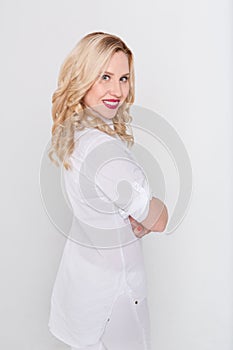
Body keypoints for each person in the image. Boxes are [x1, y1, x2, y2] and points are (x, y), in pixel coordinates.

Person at [47, 31, 168, 350]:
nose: (117, 90)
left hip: (82, 286)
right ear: (83, 78)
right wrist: (151, 212)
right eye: (105, 76)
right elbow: (160, 219)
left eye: (124, 78)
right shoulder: (108, 154)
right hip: (115, 300)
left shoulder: (76, 135)